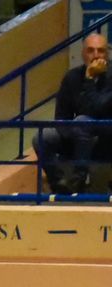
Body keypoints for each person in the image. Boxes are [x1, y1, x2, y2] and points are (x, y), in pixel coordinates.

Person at [33, 33, 112, 194]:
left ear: (107, 54)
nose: (96, 55)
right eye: (90, 50)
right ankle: (59, 184)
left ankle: (79, 179)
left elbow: (98, 107)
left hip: (107, 136)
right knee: (42, 137)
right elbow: (61, 116)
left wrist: (89, 79)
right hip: (80, 136)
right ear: (83, 53)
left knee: (83, 120)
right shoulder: (72, 77)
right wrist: (73, 132)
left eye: (100, 51)